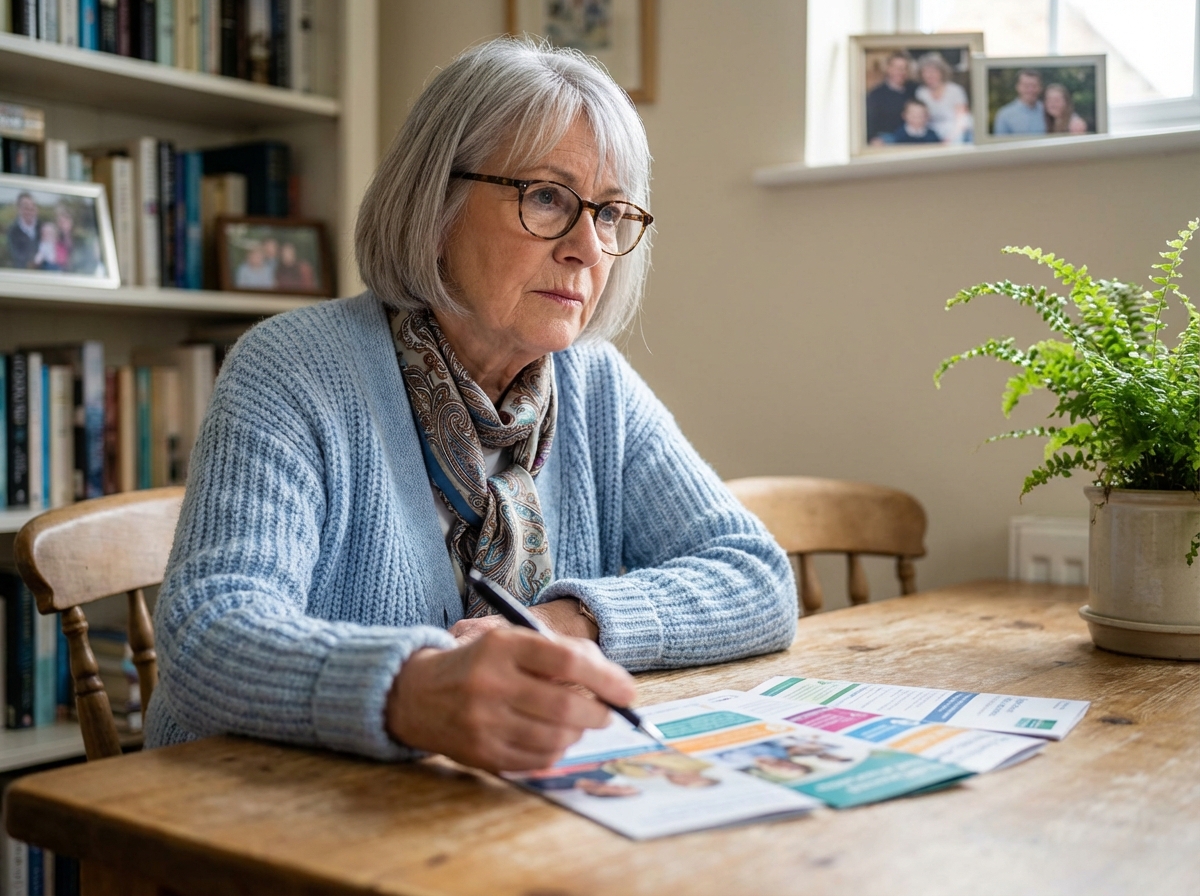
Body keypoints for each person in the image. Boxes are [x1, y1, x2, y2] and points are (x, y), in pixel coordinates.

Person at [145, 37, 797, 774]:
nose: (589, 246)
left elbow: (756, 576)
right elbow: (208, 632)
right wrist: (409, 690)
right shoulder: (293, 369)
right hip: (251, 822)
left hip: (479, 817)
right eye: (548, 197)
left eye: (611, 212)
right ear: (437, 201)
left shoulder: (593, 384)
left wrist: (568, 623)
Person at [914, 53, 970, 143]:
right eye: (926, 71)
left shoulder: (955, 90)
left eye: (933, 71)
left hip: (954, 131)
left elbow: (961, 119)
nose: (930, 75)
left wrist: (950, 138)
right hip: (930, 133)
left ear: (941, 72)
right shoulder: (920, 93)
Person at [866, 52, 915, 144]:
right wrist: (873, 138)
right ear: (888, 68)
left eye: (904, 68)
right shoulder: (876, 94)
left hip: (911, 137)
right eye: (897, 68)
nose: (901, 71)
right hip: (888, 138)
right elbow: (868, 122)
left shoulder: (913, 89)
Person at [993, 69, 1047, 136]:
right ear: (1018, 87)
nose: (1030, 90)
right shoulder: (1004, 114)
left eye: (1034, 86)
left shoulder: (1047, 110)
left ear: (1040, 88)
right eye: (1026, 86)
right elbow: (1000, 145)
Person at [7, 191, 39, 269]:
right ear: (19, 208)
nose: (29, 209)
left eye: (31, 206)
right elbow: (16, 256)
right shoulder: (12, 231)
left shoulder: (42, 226)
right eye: (25, 206)